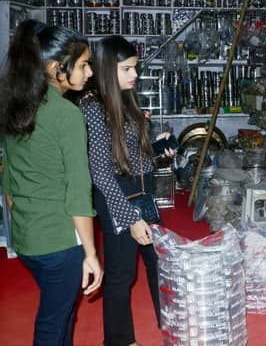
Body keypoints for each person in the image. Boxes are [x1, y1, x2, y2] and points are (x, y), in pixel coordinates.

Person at [0, 20, 103, 345]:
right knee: (53, 324)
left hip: (27, 237)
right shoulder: (66, 115)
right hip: (60, 242)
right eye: (83, 65)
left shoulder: (17, 105)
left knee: (62, 313)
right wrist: (90, 253)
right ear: (56, 68)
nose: (89, 73)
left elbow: (8, 177)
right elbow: (78, 192)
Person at [78, 35, 172, 346]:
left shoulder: (125, 100)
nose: (135, 75)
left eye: (135, 68)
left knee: (158, 261)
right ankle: (119, 341)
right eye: (127, 69)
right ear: (108, 69)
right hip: (116, 195)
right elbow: (100, 172)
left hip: (141, 190)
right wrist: (130, 217)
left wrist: (157, 148)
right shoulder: (93, 108)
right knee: (121, 274)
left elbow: (131, 153)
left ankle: (171, 323)